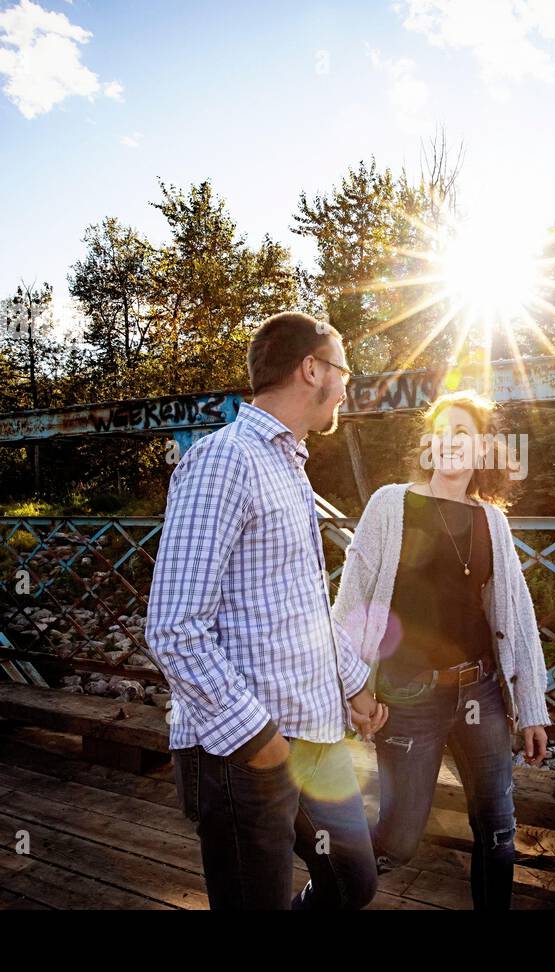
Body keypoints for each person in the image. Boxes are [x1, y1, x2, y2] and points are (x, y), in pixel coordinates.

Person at [146, 311, 387, 910]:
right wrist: (260, 740)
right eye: (344, 369)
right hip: (244, 751)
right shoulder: (224, 461)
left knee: (353, 879)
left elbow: (301, 608)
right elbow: (174, 627)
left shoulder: (289, 467)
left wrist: (353, 686)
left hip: (313, 734)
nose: (349, 384)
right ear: (311, 369)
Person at [331, 389, 551, 909]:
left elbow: (516, 616)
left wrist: (532, 708)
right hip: (407, 697)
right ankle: (327, 892)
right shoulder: (391, 504)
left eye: (464, 434)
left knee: (498, 828)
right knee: (400, 837)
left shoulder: (491, 521)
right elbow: (351, 603)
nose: (451, 443)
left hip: (482, 692)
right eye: (442, 432)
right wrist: (350, 688)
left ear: (482, 450)